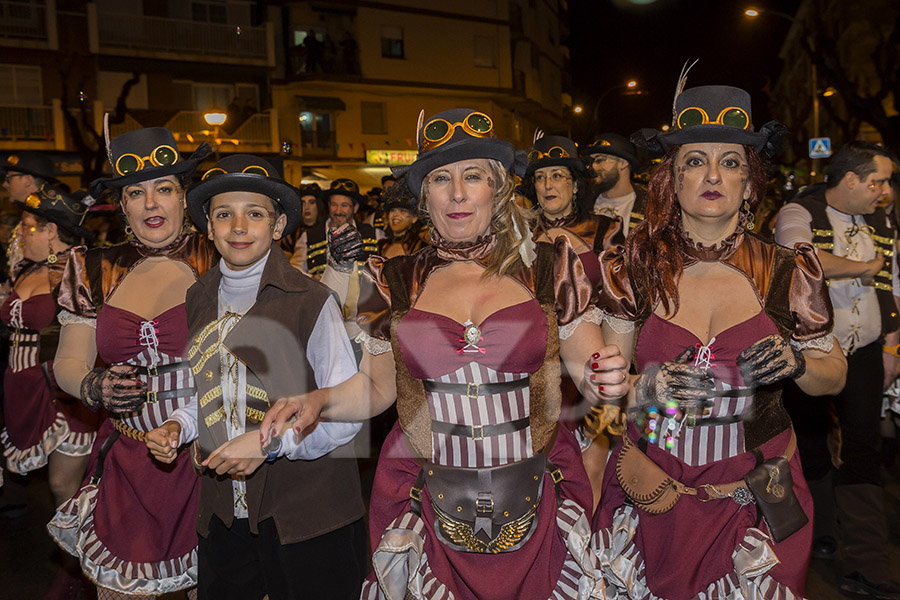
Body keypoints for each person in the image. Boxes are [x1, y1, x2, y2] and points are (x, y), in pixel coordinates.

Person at [261, 108, 631, 600]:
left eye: (472, 176)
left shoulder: (550, 267)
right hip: (422, 499)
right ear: (424, 196)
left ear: (496, 189)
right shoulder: (390, 280)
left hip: (540, 493)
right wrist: (317, 401)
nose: (457, 193)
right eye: (441, 178)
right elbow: (374, 390)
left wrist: (608, 375)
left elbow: (589, 375)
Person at [592, 84, 847, 598]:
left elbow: (833, 377)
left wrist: (797, 361)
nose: (712, 175)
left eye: (731, 162)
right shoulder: (632, 268)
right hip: (654, 487)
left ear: (750, 185)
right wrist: (647, 384)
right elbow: (603, 386)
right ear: (672, 180)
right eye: (695, 162)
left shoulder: (789, 270)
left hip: (758, 496)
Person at [146, 154, 367, 599]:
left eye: (255, 213)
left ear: (279, 225)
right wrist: (180, 425)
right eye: (224, 214)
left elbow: (348, 414)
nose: (239, 227)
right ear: (208, 228)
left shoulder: (310, 300)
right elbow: (206, 390)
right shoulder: (199, 297)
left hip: (306, 515)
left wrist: (268, 445)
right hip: (224, 514)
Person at [47, 127, 214, 599]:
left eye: (164, 188)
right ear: (121, 205)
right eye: (135, 193)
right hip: (130, 460)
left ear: (185, 198)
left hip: (211, 461)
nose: (150, 203)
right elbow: (70, 360)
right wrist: (92, 385)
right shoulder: (93, 267)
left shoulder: (221, 257)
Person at [775, 141, 900, 598]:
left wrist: (892, 347)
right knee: (809, 449)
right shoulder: (799, 211)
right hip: (812, 353)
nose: (884, 191)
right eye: (878, 181)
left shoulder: (883, 222)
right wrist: (861, 267)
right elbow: (796, 255)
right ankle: (821, 535)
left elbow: (893, 284)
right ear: (850, 179)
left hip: (866, 350)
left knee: (863, 450)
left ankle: (867, 566)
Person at [521, 134, 620, 505]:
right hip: (540, 368)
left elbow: (623, 300)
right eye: (541, 177)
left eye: (557, 175)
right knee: (546, 471)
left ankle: (592, 549)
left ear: (575, 184)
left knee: (596, 465)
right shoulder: (520, 234)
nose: (548, 185)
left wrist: (567, 241)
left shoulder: (605, 229)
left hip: (595, 358)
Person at [1, 184, 99, 506]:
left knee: (62, 485)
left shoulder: (79, 273)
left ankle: (77, 554)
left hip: (60, 388)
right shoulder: (25, 268)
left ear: (52, 231)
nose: (21, 234)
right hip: (21, 387)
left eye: (29, 228)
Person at [295, 178, 378, 278]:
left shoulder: (375, 234)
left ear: (355, 208)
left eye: (344, 205)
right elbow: (295, 270)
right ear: (328, 205)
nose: (338, 211)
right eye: (334, 205)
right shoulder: (309, 237)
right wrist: (312, 280)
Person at [581, 133, 647, 245]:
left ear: (623, 163)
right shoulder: (583, 204)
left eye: (600, 160)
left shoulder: (650, 206)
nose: (593, 167)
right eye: (592, 162)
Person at [377, 175, 427, 259]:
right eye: (392, 210)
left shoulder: (421, 247)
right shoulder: (381, 245)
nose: (395, 214)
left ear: (414, 218)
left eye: (402, 211)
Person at [282, 183, 324, 268]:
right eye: (303, 202)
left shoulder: (327, 229)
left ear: (319, 205)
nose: (307, 207)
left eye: (311, 202)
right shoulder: (290, 232)